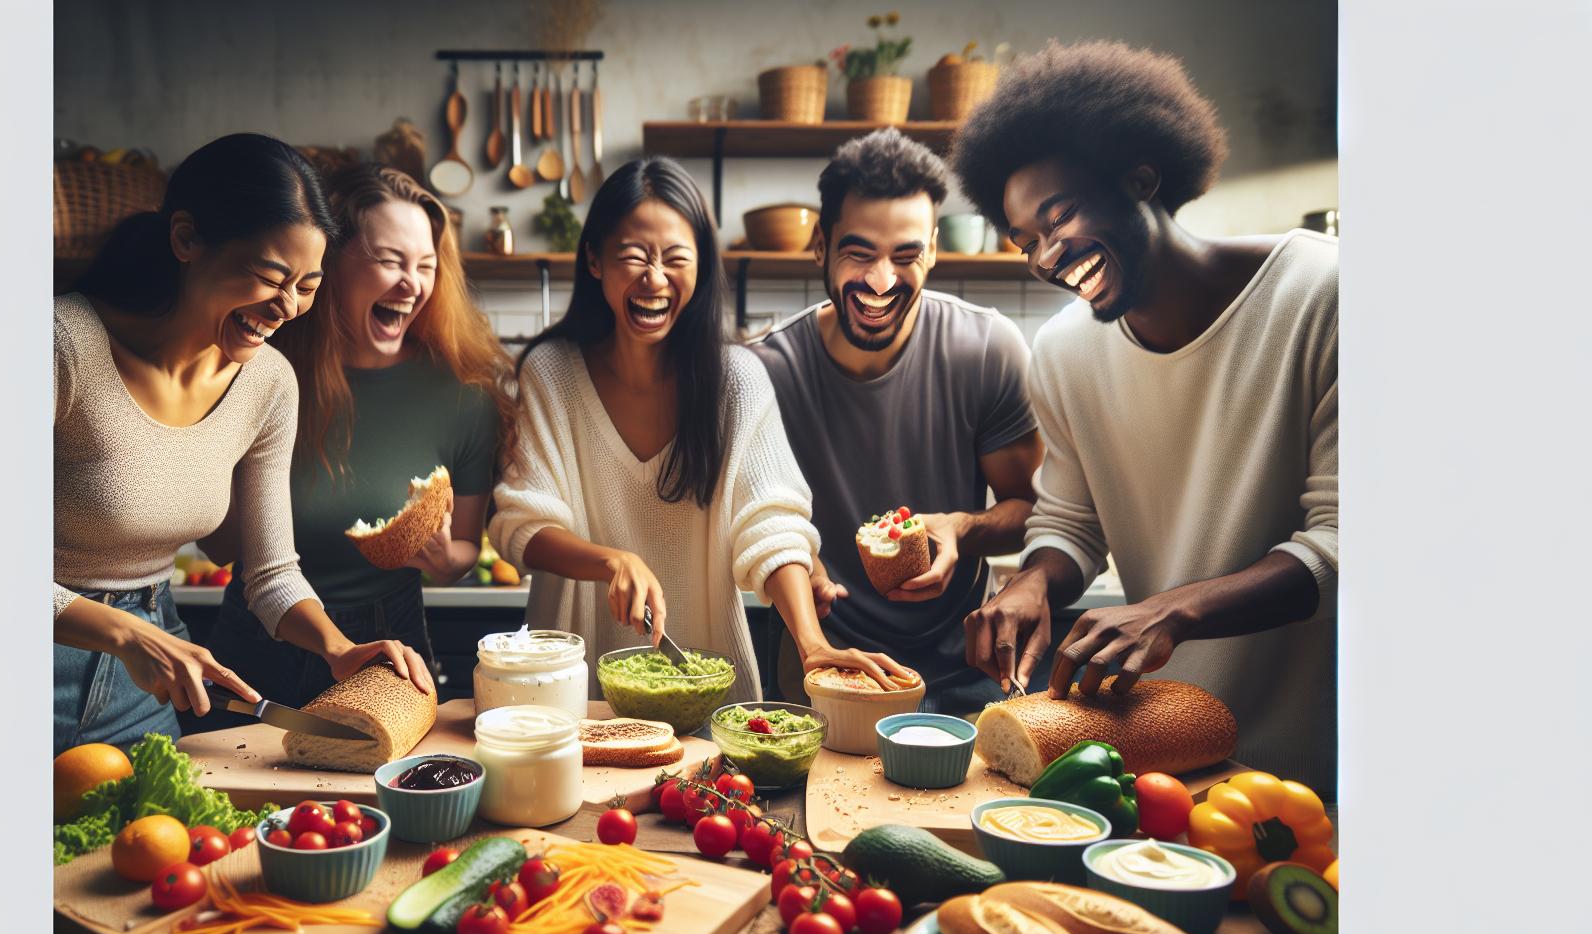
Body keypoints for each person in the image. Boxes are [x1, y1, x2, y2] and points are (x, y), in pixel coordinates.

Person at [953, 41, 1338, 793]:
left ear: (1140, 177)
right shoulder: (1064, 352)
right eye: (1026, 240)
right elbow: (1071, 523)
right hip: (1165, 762)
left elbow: (1352, 542)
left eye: (1058, 217)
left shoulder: (1323, 293)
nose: (1045, 255)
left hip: (1318, 767)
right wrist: (1033, 583)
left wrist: (1171, 610)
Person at [53, 133, 432, 756]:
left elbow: (271, 574)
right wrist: (123, 633)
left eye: (307, 285)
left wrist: (338, 648)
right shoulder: (64, 346)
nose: (286, 306)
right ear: (185, 240)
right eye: (270, 276)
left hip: (149, 679)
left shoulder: (268, 381)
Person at [490, 157, 910, 702]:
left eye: (675, 259)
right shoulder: (552, 372)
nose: (654, 278)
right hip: (573, 695)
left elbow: (772, 523)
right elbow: (524, 522)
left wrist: (812, 644)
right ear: (594, 259)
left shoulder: (736, 379)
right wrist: (613, 560)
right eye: (634, 256)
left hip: (713, 695)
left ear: (701, 268)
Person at [201, 164, 513, 713]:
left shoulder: (463, 395)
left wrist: (447, 560)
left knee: (386, 794)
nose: (410, 283)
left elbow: (465, 544)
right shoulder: (262, 370)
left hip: (386, 637)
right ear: (330, 265)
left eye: (425, 266)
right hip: (256, 631)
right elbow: (220, 546)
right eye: (390, 260)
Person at [752, 128, 1042, 716]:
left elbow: (1033, 509)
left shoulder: (987, 348)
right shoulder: (764, 372)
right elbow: (746, 523)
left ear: (933, 249)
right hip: (825, 667)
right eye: (859, 253)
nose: (882, 282)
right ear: (820, 246)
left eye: (906, 256)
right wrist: (793, 559)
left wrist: (963, 527)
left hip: (969, 668)